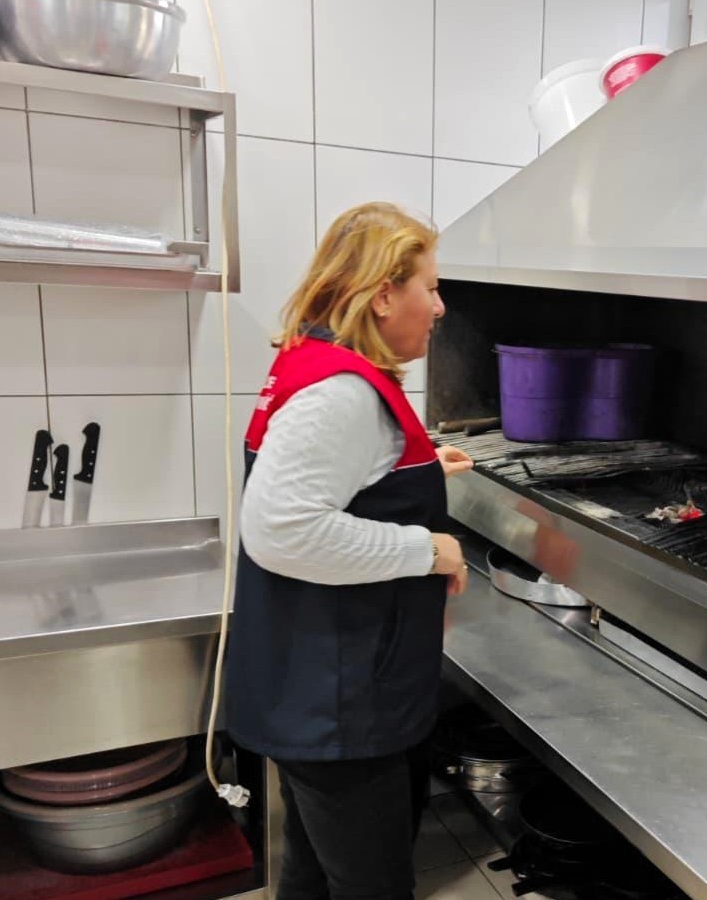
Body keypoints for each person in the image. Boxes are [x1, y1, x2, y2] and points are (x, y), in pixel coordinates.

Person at [225, 202, 474, 900]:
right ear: (384, 294)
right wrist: (431, 549)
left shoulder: (316, 363)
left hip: (315, 681)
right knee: (373, 886)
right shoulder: (341, 393)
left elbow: (333, 483)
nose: (440, 307)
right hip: (342, 696)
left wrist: (419, 471)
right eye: (430, 287)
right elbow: (283, 530)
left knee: (311, 872)